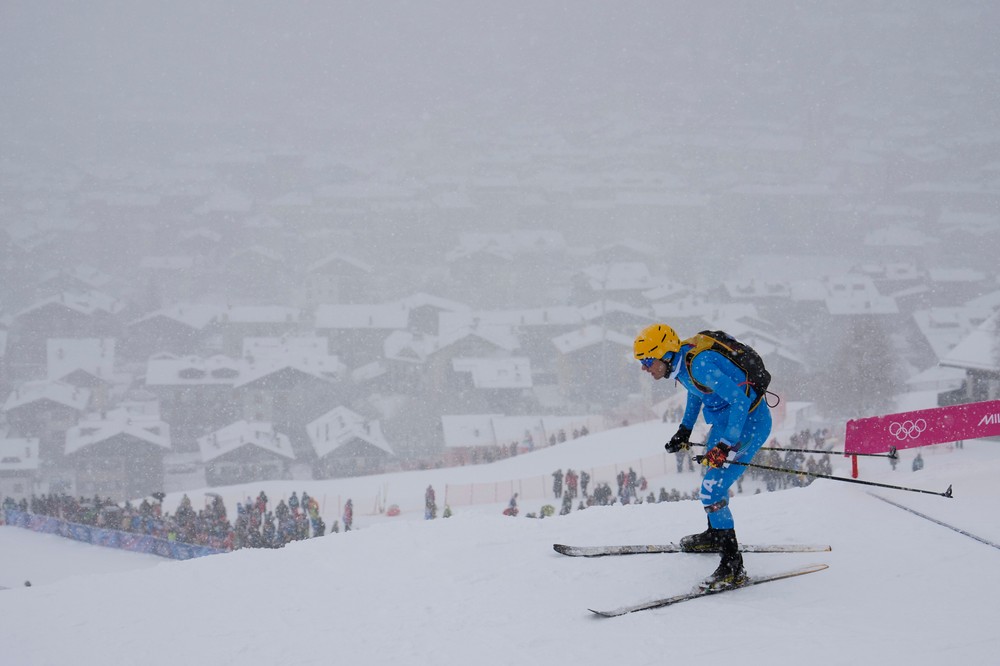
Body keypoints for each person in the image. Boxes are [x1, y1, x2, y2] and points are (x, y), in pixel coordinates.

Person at [634, 323, 773, 590]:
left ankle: (733, 566)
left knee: (711, 489)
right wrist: (684, 429)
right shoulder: (683, 362)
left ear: (663, 355)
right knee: (712, 480)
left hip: (747, 423)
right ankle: (714, 535)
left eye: (647, 361)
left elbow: (740, 402)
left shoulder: (699, 365)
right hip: (726, 422)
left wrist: (725, 444)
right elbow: (695, 390)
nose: (645, 368)